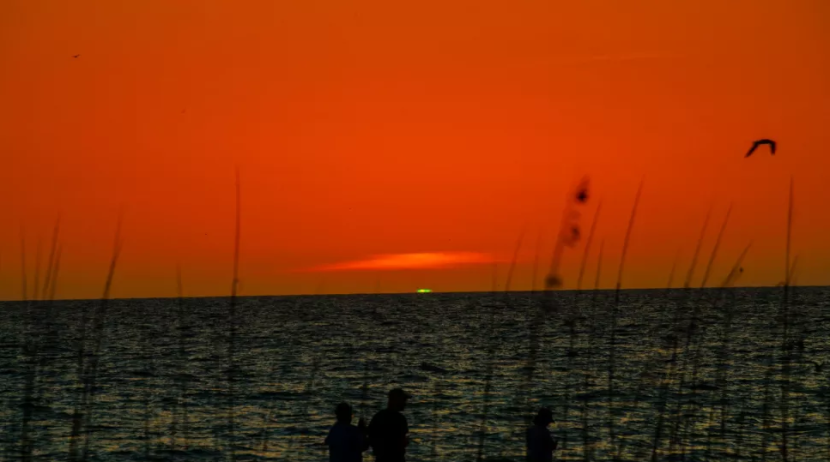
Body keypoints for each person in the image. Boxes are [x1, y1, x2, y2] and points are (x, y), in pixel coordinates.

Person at [368, 388, 411, 462]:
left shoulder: (378, 416)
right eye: (403, 400)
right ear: (396, 401)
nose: (405, 403)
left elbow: (371, 437)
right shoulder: (400, 419)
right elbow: (401, 442)